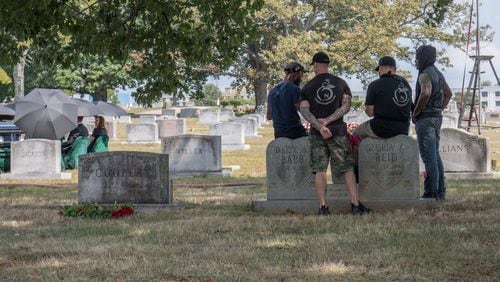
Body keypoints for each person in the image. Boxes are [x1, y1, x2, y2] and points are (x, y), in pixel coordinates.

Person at [300, 51, 370, 215]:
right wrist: (329, 121)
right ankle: (355, 204)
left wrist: (320, 125)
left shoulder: (308, 86)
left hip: (318, 134)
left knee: (320, 170)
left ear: (316, 65)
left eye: (314, 66)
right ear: (328, 65)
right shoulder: (341, 83)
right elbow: (346, 106)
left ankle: (323, 207)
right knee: (347, 168)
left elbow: (304, 110)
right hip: (337, 131)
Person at [351, 56, 412, 170]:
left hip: (380, 128)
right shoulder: (405, 85)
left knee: (356, 134)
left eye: (379, 68)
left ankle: (358, 170)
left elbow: (369, 112)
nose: (378, 72)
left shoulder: (375, 85)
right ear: (394, 69)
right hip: (403, 128)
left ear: (383, 68)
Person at [412, 45, 452, 201]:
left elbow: (426, 92)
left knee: (428, 157)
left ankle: (431, 193)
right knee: (435, 156)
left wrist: (416, 112)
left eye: (417, 57)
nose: (415, 61)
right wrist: (438, 109)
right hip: (436, 118)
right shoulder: (438, 73)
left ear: (423, 57)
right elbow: (448, 94)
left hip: (426, 119)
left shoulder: (425, 74)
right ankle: (440, 192)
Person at [266, 62, 308, 139]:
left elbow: (269, 116)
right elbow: (304, 112)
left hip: (279, 134)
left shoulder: (272, 91)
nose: (301, 78)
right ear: (297, 74)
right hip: (296, 133)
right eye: (301, 75)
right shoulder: (295, 89)